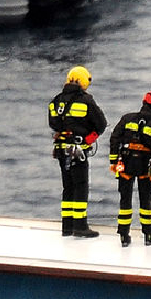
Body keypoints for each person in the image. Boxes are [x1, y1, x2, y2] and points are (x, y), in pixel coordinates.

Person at [48, 66, 108, 238]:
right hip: (78, 150)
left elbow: (54, 124)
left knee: (67, 187)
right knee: (80, 186)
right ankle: (80, 226)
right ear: (83, 81)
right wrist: (88, 139)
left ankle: (67, 227)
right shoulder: (86, 100)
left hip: (61, 150)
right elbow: (101, 124)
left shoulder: (56, 101)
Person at [109, 91, 151, 247]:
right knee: (145, 202)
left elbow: (115, 137)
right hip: (145, 166)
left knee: (125, 201)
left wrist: (114, 161)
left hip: (126, 163)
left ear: (143, 102)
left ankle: (123, 236)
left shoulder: (127, 118)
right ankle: (148, 235)